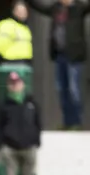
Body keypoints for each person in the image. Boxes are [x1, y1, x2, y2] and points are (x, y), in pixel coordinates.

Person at [25, 0, 90, 130]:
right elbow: (40, 7)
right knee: (62, 90)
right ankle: (68, 122)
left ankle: (76, 122)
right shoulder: (56, 8)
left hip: (74, 56)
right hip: (60, 55)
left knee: (74, 90)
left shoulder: (78, 9)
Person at [0, 72, 42, 175]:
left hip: (29, 147)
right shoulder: (3, 105)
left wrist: (36, 141)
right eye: (12, 83)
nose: (15, 86)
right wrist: (1, 144)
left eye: (17, 83)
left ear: (23, 84)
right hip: (10, 147)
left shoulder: (31, 103)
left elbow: (38, 123)